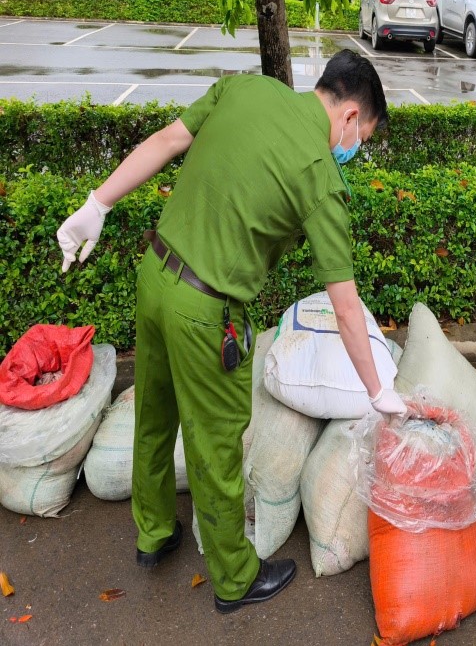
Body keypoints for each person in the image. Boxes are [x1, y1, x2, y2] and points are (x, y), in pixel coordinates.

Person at [57, 50, 407, 614]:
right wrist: (377, 390)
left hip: (155, 276)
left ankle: (154, 533)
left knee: (154, 413)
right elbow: (346, 308)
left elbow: (167, 141)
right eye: (360, 137)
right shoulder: (320, 177)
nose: (353, 149)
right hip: (205, 311)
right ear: (349, 115)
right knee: (217, 443)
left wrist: (97, 203)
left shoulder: (247, 89)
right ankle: (235, 577)